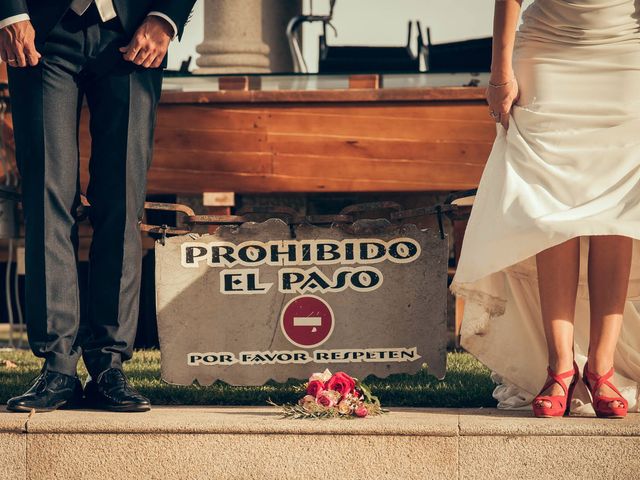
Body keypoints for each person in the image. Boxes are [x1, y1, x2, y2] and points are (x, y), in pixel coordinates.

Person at [449, 0, 640, 418]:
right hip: (549, 52)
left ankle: (602, 369)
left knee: (619, 213)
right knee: (550, 213)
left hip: (626, 53)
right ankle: (560, 367)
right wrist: (500, 71)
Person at [3, 0, 196, 413]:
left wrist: (167, 17)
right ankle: (57, 367)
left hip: (134, 32)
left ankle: (109, 365)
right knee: (47, 196)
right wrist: (10, 13)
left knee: (122, 203)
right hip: (40, 29)